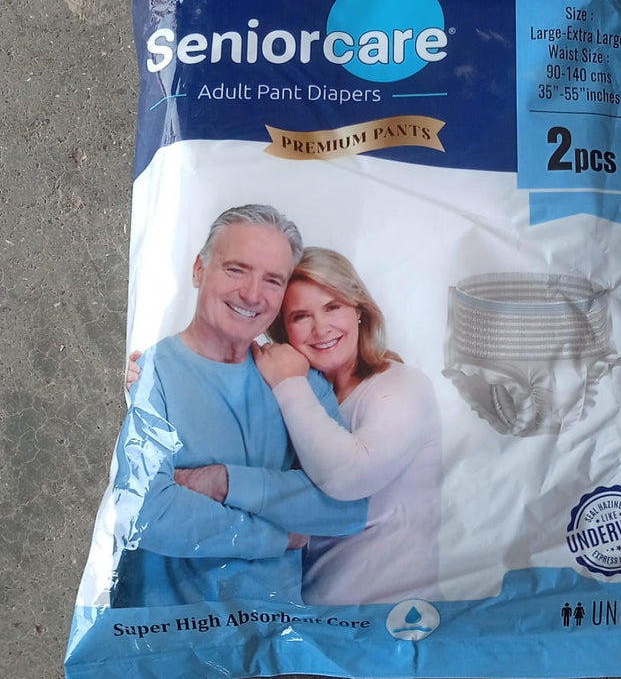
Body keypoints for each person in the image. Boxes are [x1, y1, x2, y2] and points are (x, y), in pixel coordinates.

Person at [111, 206, 367, 609]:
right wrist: (276, 535)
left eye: (272, 280)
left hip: (278, 631)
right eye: (236, 270)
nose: (251, 294)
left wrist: (224, 482)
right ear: (199, 270)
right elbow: (146, 511)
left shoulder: (294, 379)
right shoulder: (150, 373)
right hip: (167, 630)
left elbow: (349, 506)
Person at [180, 248, 443, 605]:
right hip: (306, 619)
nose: (321, 329)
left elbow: (349, 477)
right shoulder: (299, 398)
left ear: (359, 309)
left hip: (396, 620)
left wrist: (288, 383)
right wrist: (151, 380)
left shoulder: (402, 386)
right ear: (283, 330)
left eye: (332, 307)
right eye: (301, 316)